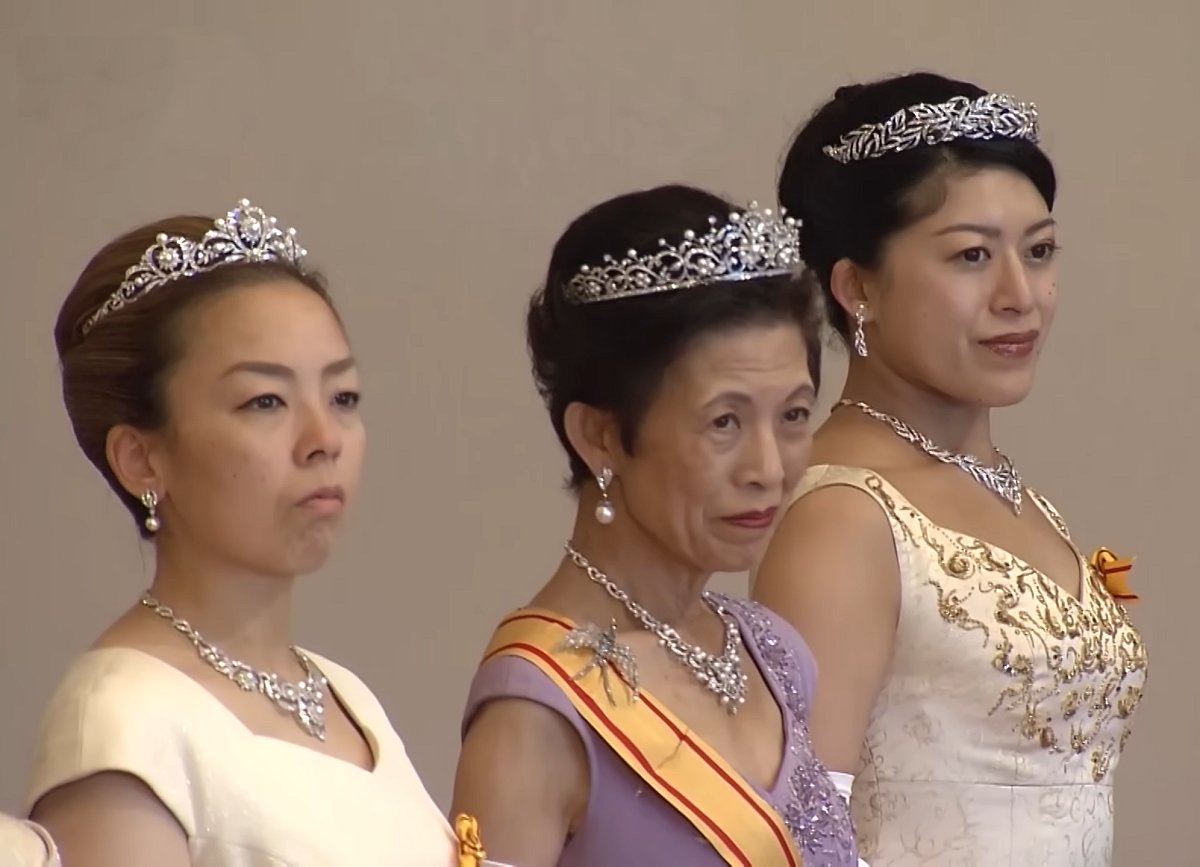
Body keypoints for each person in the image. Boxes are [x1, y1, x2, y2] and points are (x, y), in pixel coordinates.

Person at [751, 73, 1149, 865]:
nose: (1020, 295)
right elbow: (797, 838)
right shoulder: (841, 518)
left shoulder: (1010, 491)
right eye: (972, 256)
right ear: (857, 285)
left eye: (1038, 252)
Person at [23, 200, 456, 865]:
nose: (323, 441)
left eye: (343, 397)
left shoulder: (346, 696)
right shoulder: (122, 725)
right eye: (265, 402)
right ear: (142, 457)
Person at [450, 184, 859, 867]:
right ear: (600, 436)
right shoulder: (537, 715)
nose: (768, 467)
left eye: (792, 415)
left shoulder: (774, 653)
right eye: (724, 422)